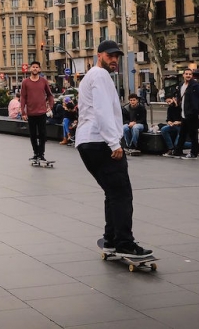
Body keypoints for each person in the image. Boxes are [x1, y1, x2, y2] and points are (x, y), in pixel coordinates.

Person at [75, 39, 153, 259]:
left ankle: (110, 240)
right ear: (99, 55)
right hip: (100, 141)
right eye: (110, 56)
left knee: (112, 192)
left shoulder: (90, 77)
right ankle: (124, 243)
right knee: (122, 194)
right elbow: (102, 111)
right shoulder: (99, 75)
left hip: (87, 142)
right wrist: (114, 143)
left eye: (117, 56)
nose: (114, 60)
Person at [20, 61, 55, 161]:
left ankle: (41, 154)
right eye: (33, 67)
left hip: (42, 113)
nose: (35, 69)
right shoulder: (25, 82)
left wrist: (50, 106)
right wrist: (23, 111)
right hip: (31, 113)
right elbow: (23, 97)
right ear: (30, 69)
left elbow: (50, 95)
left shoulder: (43, 81)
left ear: (39, 69)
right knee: (33, 135)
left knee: (43, 134)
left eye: (37, 67)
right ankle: (36, 153)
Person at [174, 68, 199, 160]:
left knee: (193, 134)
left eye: (190, 74)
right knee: (182, 133)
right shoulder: (181, 85)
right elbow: (180, 97)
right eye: (186, 74)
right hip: (184, 113)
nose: (188, 75)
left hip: (192, 113)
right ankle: (178, 151)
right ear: (183, 75)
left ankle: (194, 153)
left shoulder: (195, 85)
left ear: (192, 76)